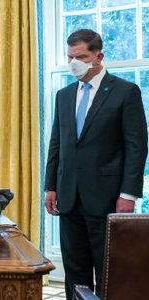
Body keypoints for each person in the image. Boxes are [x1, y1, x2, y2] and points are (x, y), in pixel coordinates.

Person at [44, 29, 147, 299]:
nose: (74, 63)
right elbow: (57, 144)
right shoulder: (63, 95)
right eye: (70, 57)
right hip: (68, 197)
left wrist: (129, 194)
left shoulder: (125, 92)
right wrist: (50, 187)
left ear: (98, 56)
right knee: (75, 272)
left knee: (108, 272)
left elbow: (136, 148)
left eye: (81, 56)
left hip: (109, 198)